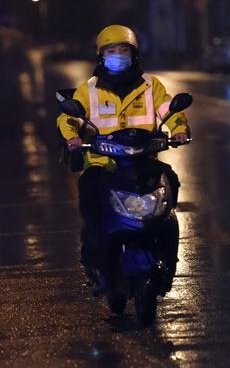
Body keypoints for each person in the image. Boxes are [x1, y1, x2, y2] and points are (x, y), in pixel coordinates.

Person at [57, 24, 191, 288]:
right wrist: (71, 137)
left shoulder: (151, 86)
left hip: (142, 161)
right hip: (103, 165)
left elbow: (170, 110)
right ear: (101, 56)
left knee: (170, 183)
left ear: (134, 54)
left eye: (123, 50)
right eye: (111, 50)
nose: (118, 55)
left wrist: (179, 130)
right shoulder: (90, 89)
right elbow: (69, 117)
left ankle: (167, 257)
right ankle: (96, 261)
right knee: (90, 194)